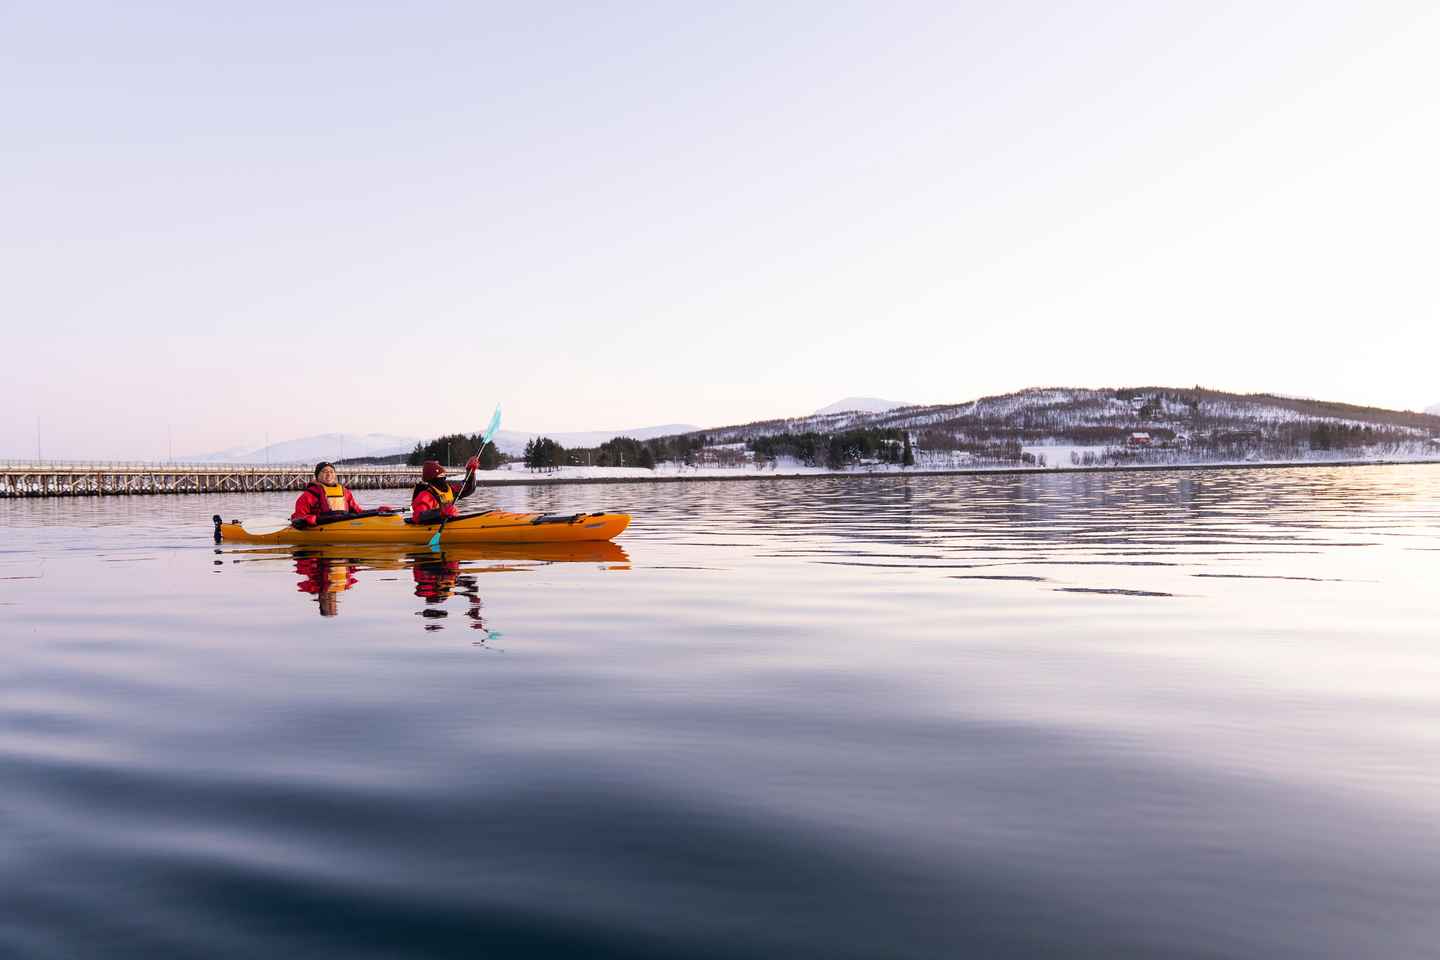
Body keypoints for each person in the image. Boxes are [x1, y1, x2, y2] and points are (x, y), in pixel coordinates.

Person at [291, 462, 378, 526]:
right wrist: (306, 519)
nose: (329, 474)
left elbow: (358, 511)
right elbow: (298, 516)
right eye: (324, 472)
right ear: (317, 476)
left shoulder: (345, 492)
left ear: (335, 475)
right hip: (321, 526)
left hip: (344, 524)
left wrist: (377, 511)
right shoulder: (309, 495)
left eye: (331, 472)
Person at [411, 456, 480, 523]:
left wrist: (470, 471)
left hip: (450, 522)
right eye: (441, 476)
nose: (444, 479)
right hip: (431, 526)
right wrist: (441, 512)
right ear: (432, 479)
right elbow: (417, 516)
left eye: (444, 475)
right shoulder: (425, 496)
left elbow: (468, 488)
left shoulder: (450, 489)